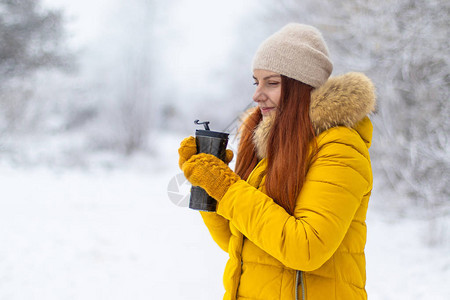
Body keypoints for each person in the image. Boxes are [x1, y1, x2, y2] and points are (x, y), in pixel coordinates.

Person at [178, 23, 375, 300]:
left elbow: (305, 249)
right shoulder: (276, 147)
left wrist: (228, 188)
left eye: (272, 83)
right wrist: (206, 186)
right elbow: (240, 242)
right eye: (256, 82)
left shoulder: (340, 148)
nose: (257, 95)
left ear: (301, 87)